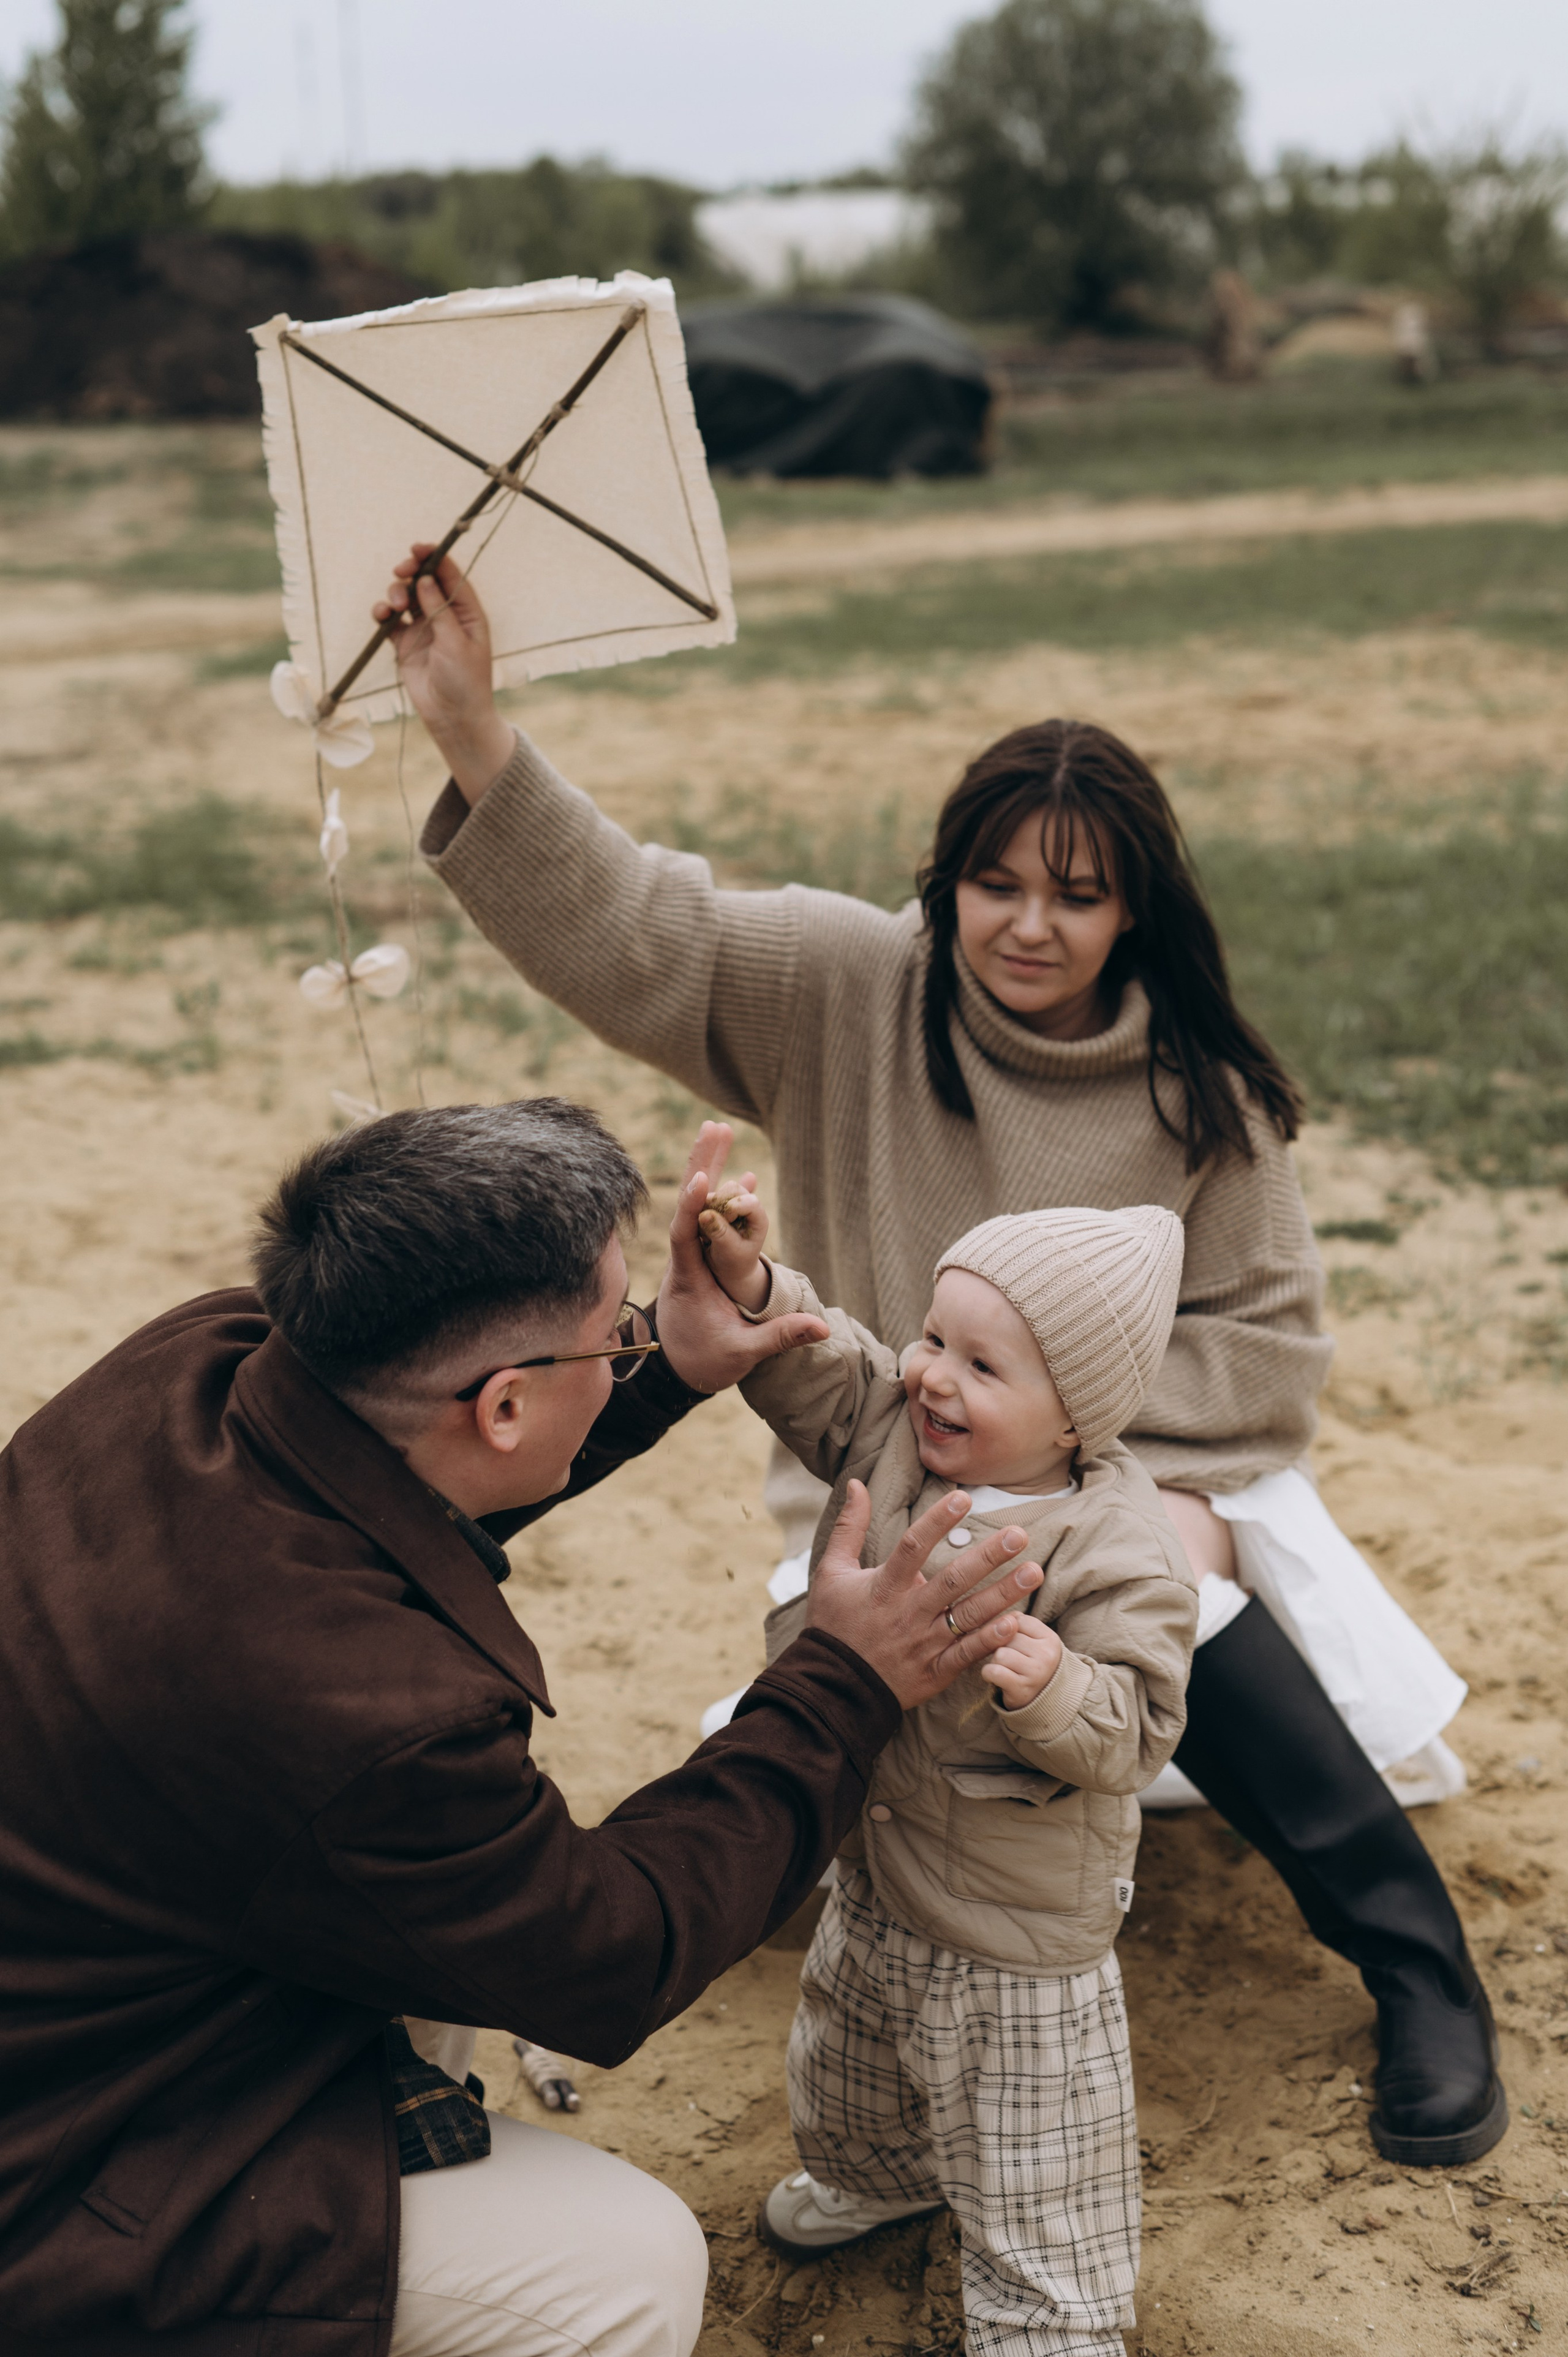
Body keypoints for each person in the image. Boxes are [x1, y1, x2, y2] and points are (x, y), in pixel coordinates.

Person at [380, 548, 1504, 2167]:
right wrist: (473, 728)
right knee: (832, 1765)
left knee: (1173, 1591)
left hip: (1153, 1487)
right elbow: (637, 924)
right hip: (881, 1465)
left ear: (1138, 908)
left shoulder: (1207, 1093)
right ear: (948, 881)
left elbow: (1269, 1352)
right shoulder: (852, 987)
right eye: (997, 884)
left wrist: (1085, 1478)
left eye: (1079, 892)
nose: (1030, 926)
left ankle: (1420, 1971)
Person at [0, 1100, 1049, 2357]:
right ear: (501, 1405)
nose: (631, 1339)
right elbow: (610, 1947)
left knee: (437, 1964)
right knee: (624, 2265)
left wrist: (668, 1359)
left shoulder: (207, 1356)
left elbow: (420, 1474)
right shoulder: (369, 1722)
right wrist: (843, 1680)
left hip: (96, 1949)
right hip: (64, 2153)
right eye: (615, 1332)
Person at [697, 1172, 1196, 2351]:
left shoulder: (1117, 1549)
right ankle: (874, 2176)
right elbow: (827, 1369)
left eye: (982, 1365)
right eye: (934, 1337)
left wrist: (1055, 1683)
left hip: (1017, 1931)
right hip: (877, 1858)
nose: (930, 1374)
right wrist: (760, 1284)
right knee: (847, 2050)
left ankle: (1051, 2323)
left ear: (1077, 1414)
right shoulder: (899, 1429)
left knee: (1035, 2151)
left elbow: (1138, 1729)